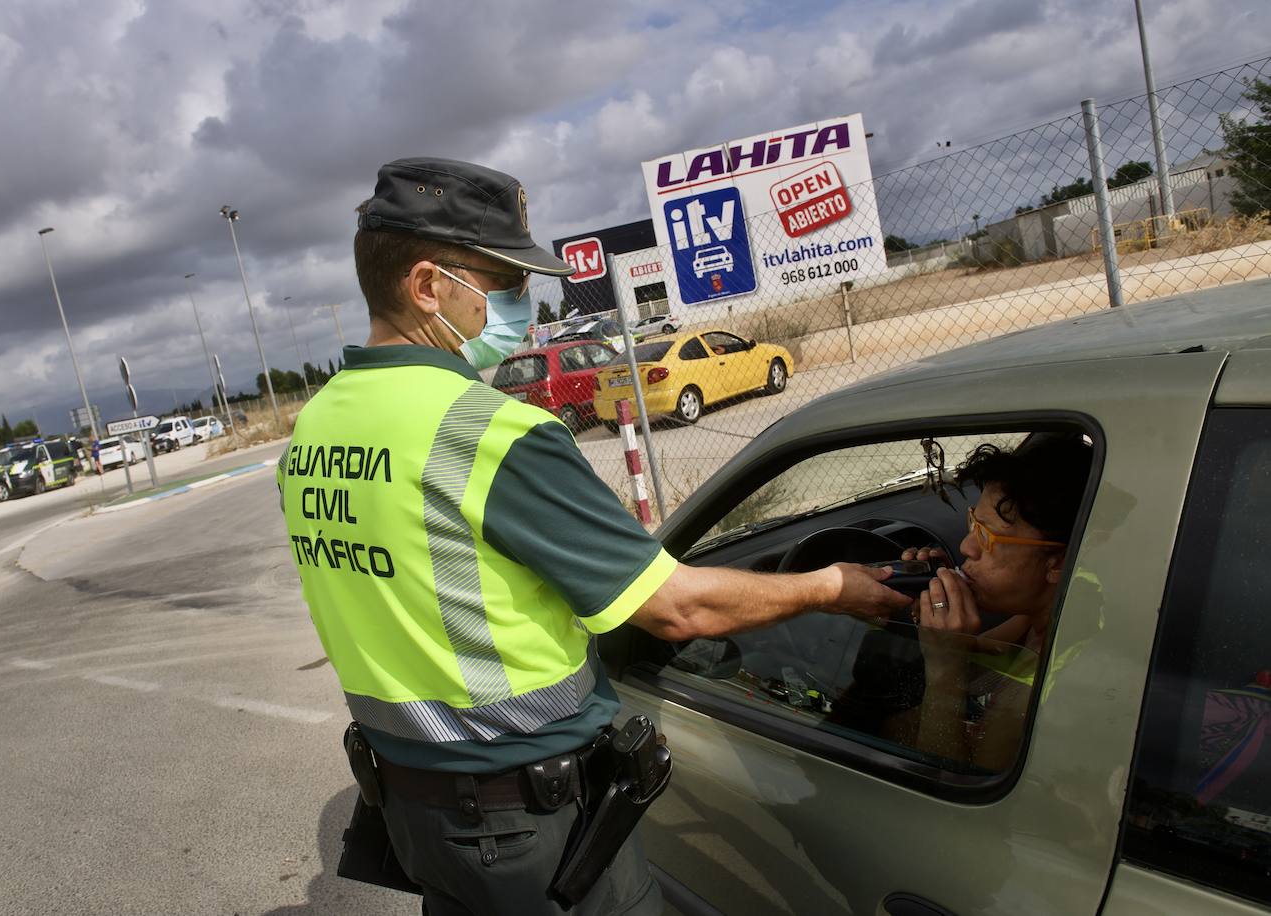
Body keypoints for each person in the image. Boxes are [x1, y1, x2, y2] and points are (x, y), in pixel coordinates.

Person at [277, 157, 911, 916]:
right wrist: (831, 587)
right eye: (503, 283)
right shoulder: (489, 435)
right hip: (527, 825)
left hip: (415, 818)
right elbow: (677, 610)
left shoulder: (313, 431)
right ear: (425, 286)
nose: (521, 304)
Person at [896, 436, 1092, 772]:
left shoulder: (1042, 691)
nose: (967, 546)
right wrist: (937, 615)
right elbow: (978, 670)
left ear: (1058, 563)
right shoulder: (1059, 605)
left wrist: (944, 665)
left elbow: (952, 789)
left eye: (987, 536)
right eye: (974, 523)